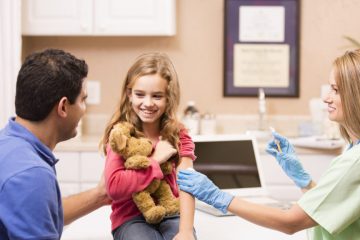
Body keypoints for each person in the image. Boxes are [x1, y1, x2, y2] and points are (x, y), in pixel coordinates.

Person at [177, 49, 360, 240]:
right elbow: (327, 207)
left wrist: (218, 197)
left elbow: (291, 222)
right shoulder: (353, 150)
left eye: (336, 90)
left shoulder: (354, 162)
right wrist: (303, 180)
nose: (326, 97)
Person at [0, 49, 111, 239]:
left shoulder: (9, 143)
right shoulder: (32, 174)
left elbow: (39, 213)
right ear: (63, 107)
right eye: (83, 99)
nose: (84, 109)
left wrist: (101, 195)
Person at [101, 52, 197, 240]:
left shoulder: (179, 133)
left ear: (169, 97)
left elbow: (188, 183)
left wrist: (186, 231)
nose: (148, 103)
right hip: (130, 219)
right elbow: (113, 187)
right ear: (129, 94)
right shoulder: (120, 134)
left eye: (157, 96)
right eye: (139, 94)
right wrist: (155, 161)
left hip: (171, 212)